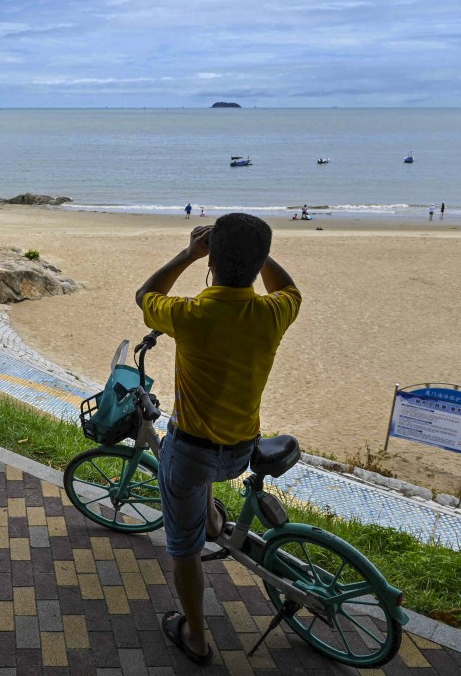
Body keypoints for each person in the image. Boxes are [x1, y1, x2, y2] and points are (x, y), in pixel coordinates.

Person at [134, 213, 301, 666]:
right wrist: (257, 255)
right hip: (242, 450)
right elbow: (290, 290)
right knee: (202, 497)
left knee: (183, 551)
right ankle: (212, 521)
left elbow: (145, 295)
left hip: (191, 454)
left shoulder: (193, 314)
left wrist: (190, 253)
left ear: (212, 261)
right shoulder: (272, 312)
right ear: (260, 262)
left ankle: (195, 636)